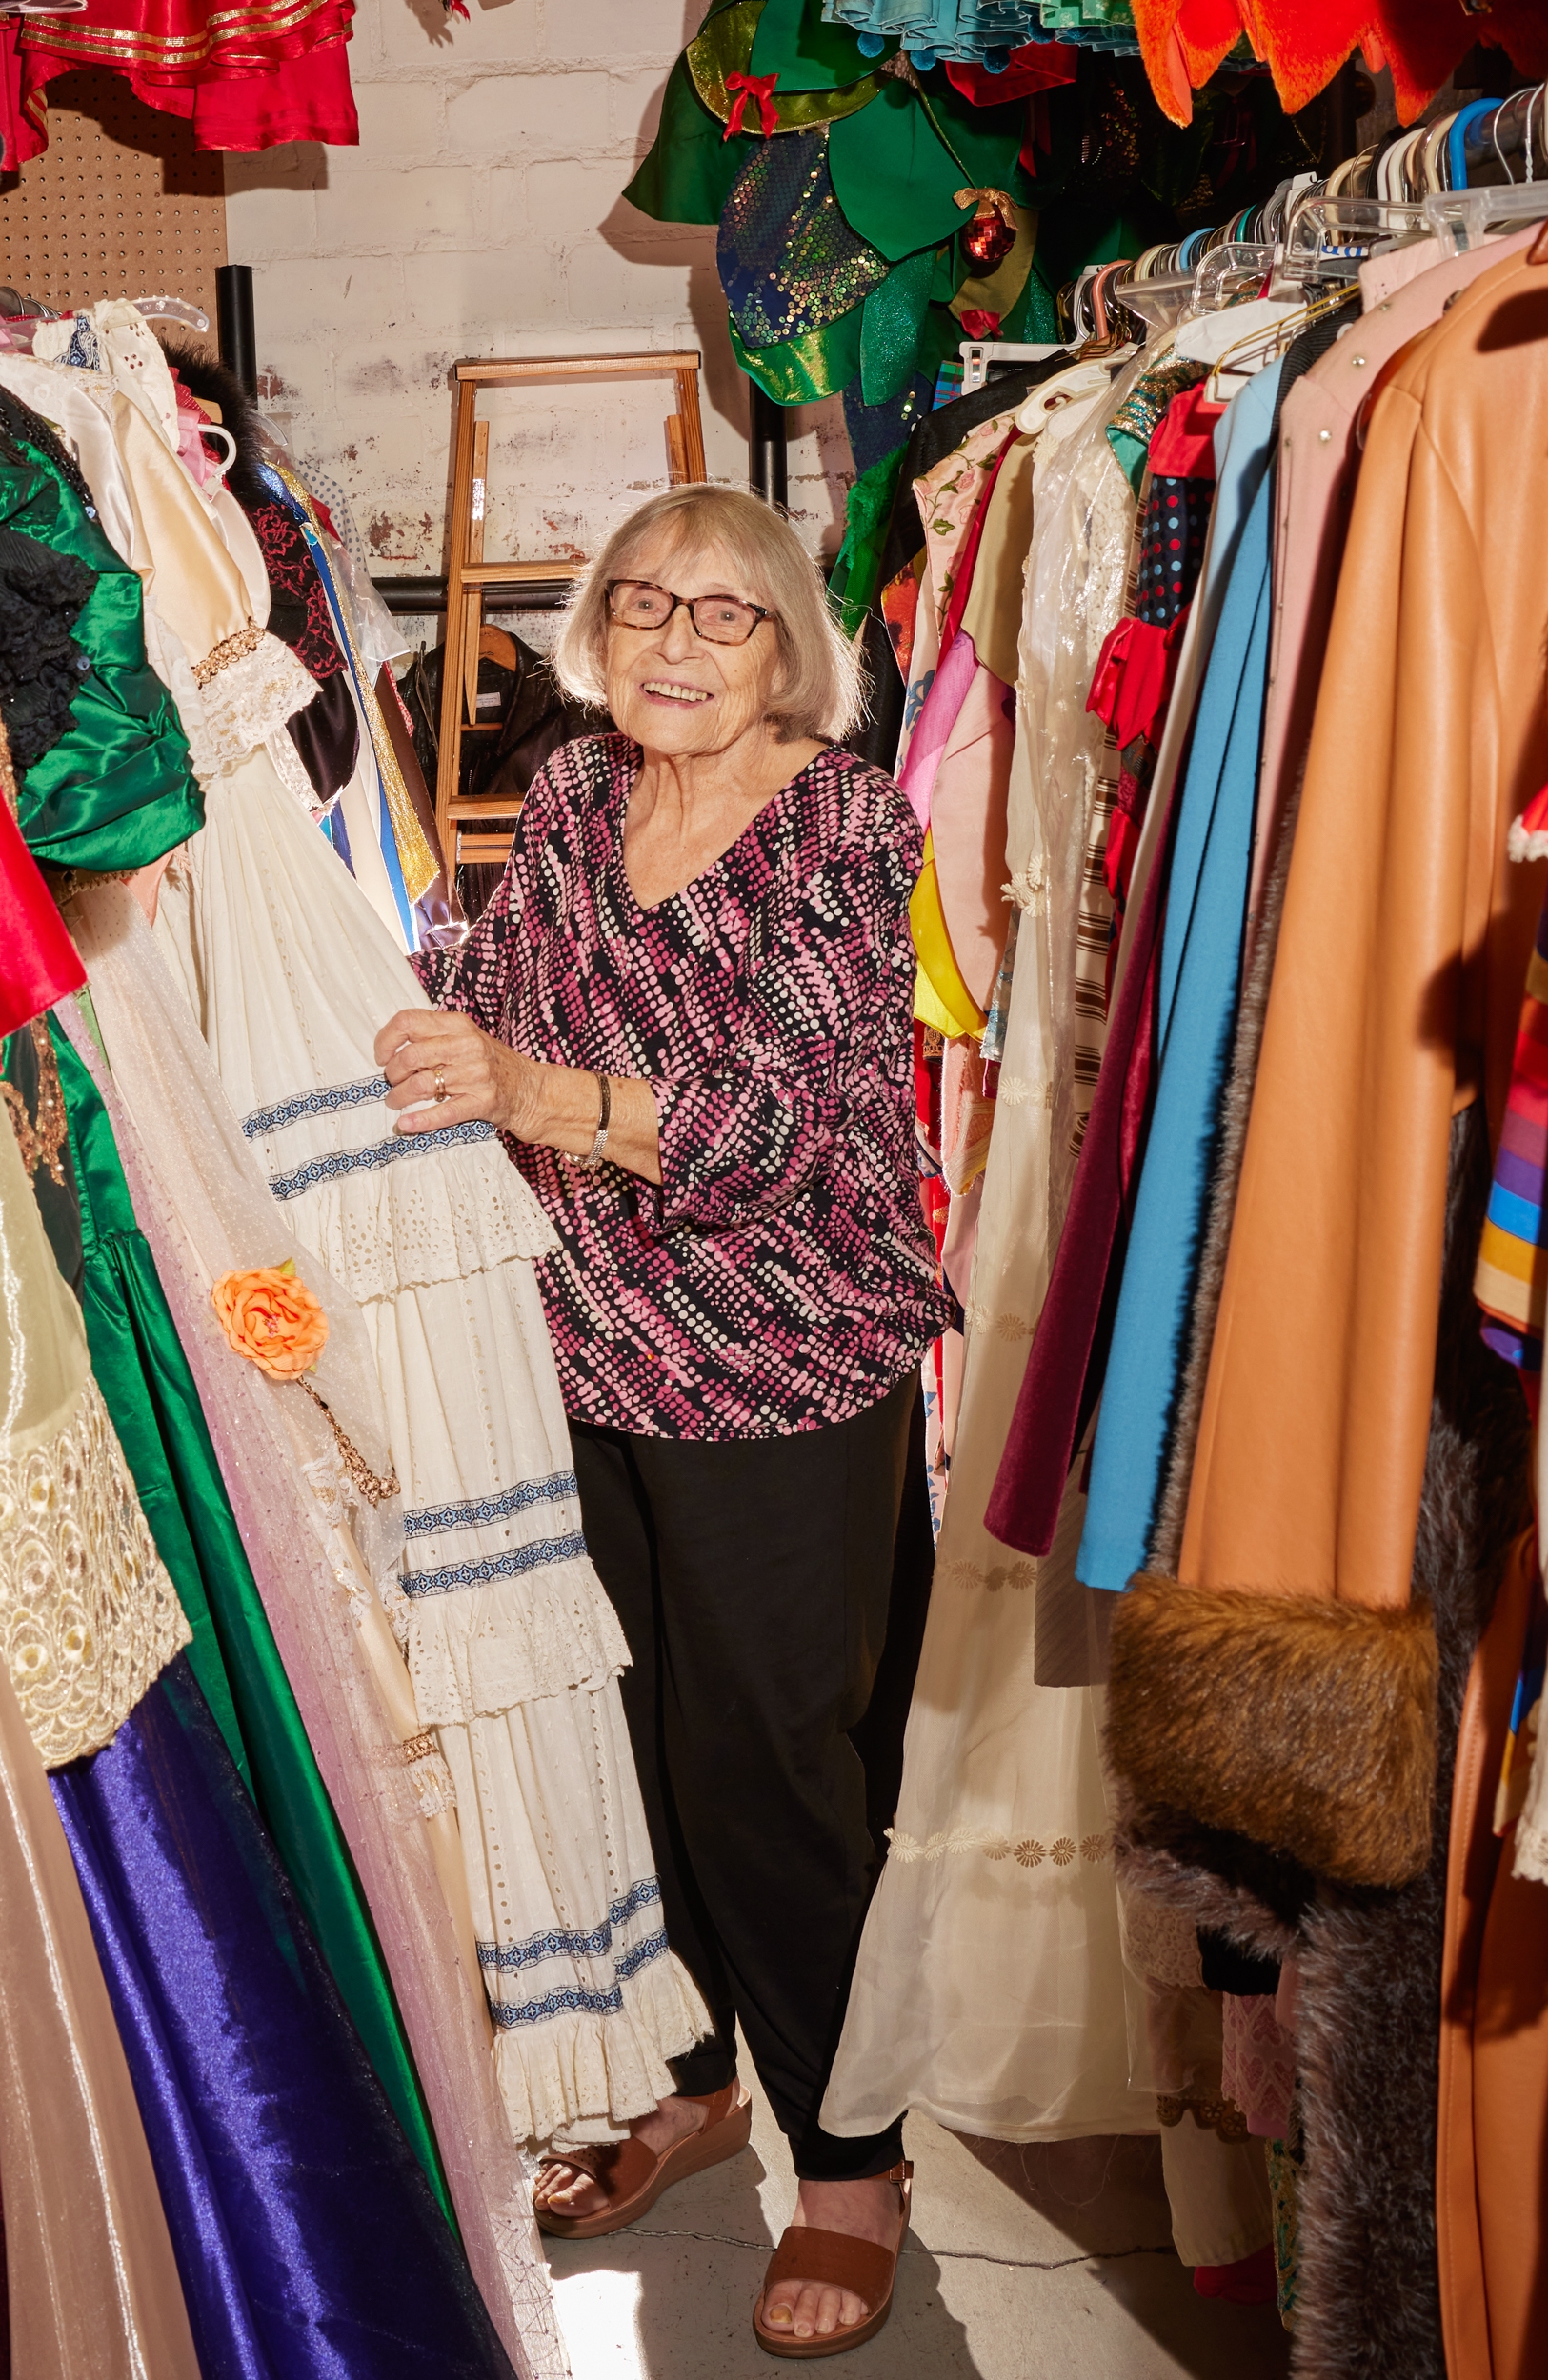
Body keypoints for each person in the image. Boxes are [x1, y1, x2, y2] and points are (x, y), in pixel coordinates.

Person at [374, 484, 955, 2360]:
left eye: (720, 616)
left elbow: (786, 1120)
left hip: (785, 1355)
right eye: (640, 610)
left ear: (788, 642)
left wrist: (531, 1092)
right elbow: (504, 979)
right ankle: (690, 2079)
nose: (674, 646)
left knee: (773, 1768)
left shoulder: (844, 820)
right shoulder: (565, 794)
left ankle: (852, 2162)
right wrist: (343, 1002)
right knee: (623, 1735)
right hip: (585, 1338)